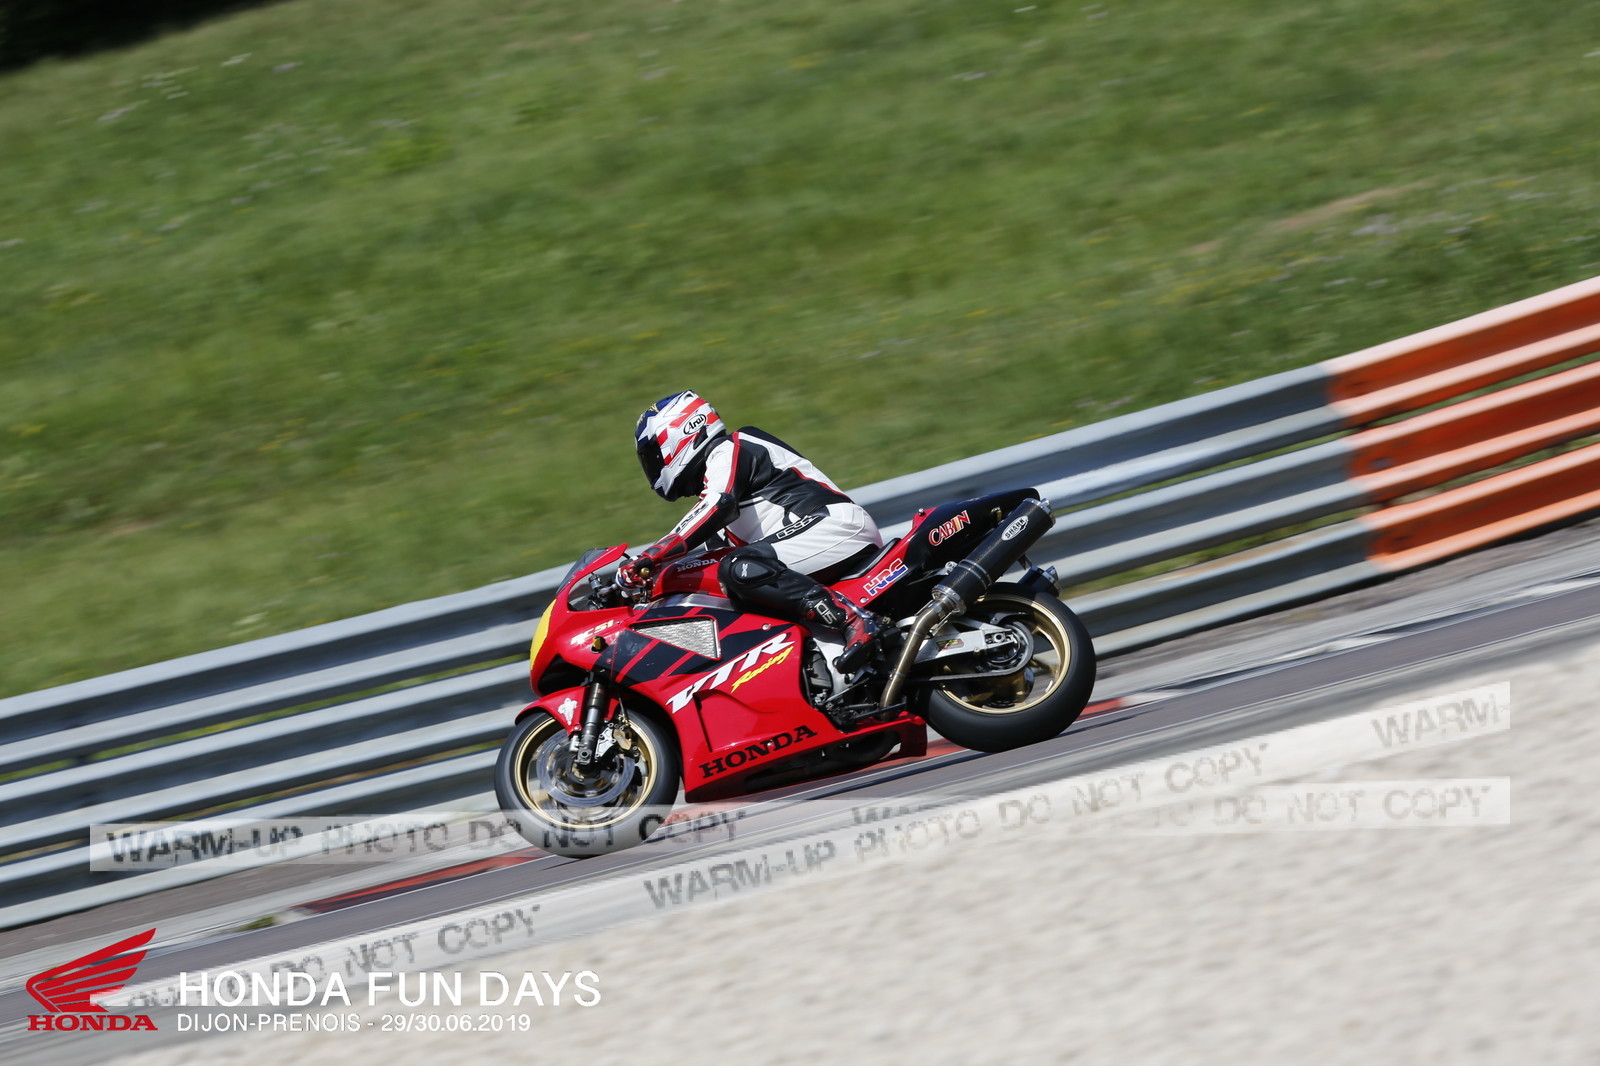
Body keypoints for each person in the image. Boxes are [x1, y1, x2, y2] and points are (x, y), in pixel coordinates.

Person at [620, 391, 884, 672]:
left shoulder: (731, 447)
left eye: (655, 454)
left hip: (834, 525)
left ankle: (853, 619)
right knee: (732, 589)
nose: (654, 465)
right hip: (810, 547)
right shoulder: (714, 517)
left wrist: (652, 556)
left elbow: (719, 504)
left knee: (738, 566)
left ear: (683, 432)